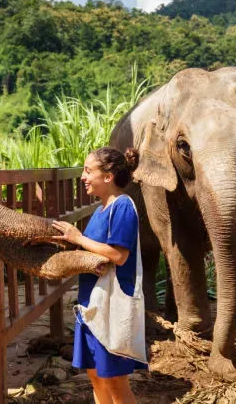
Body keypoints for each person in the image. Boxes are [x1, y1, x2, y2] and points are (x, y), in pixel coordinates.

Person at [52, 146, 147, 404]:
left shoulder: (123, 206)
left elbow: (118, 255)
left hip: (111, 307)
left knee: (116, 382)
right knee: (96, 377)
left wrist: (79, 237)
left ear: (108, 176)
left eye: (88, 170)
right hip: (91, 306)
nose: (83, 177)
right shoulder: (100, 210)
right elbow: (92, 249)